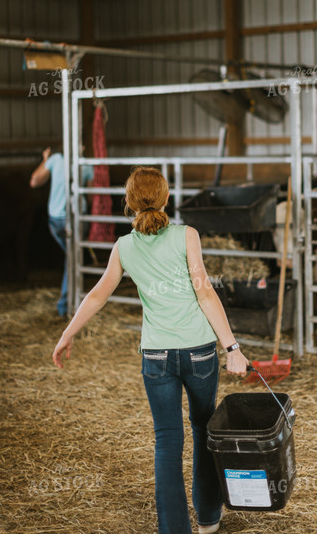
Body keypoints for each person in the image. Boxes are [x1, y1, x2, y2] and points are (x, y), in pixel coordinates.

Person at [52, 166, 250, 534]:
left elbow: (97, 295)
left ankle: (174, 529)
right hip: (199, 353)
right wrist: (232, 347)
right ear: (167, 197)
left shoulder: (124, 246)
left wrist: (68, 333)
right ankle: (208, 518)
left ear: (128, 203)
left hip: (156, 357)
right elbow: (205, 291)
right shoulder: (187, 235)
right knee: (205, 428)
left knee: (167, 441)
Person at [30, 146, 93, 317]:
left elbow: (35, 181)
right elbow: (91, 195)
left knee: (71, 258)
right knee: (72, 259)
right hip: (78, 218)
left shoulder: (56, 159)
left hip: (56, 218)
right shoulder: (86, 165)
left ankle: (68, 304)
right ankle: (66, 305)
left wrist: (45, 159)